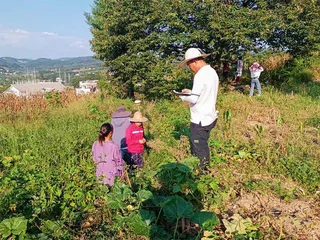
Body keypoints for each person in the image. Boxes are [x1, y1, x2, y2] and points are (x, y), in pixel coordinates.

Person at [177, 48, 219, 171]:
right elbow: (203, 93)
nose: (190, 68)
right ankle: (205, 167)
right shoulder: (211, 72)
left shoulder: (200, 75)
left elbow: (193, 99)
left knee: (199, 148)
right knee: (204, 145)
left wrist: (181, 96)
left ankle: (202, 174)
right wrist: (190, 92)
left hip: (200, 119)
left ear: (194, 61)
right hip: (210, 116)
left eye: (189, 65)